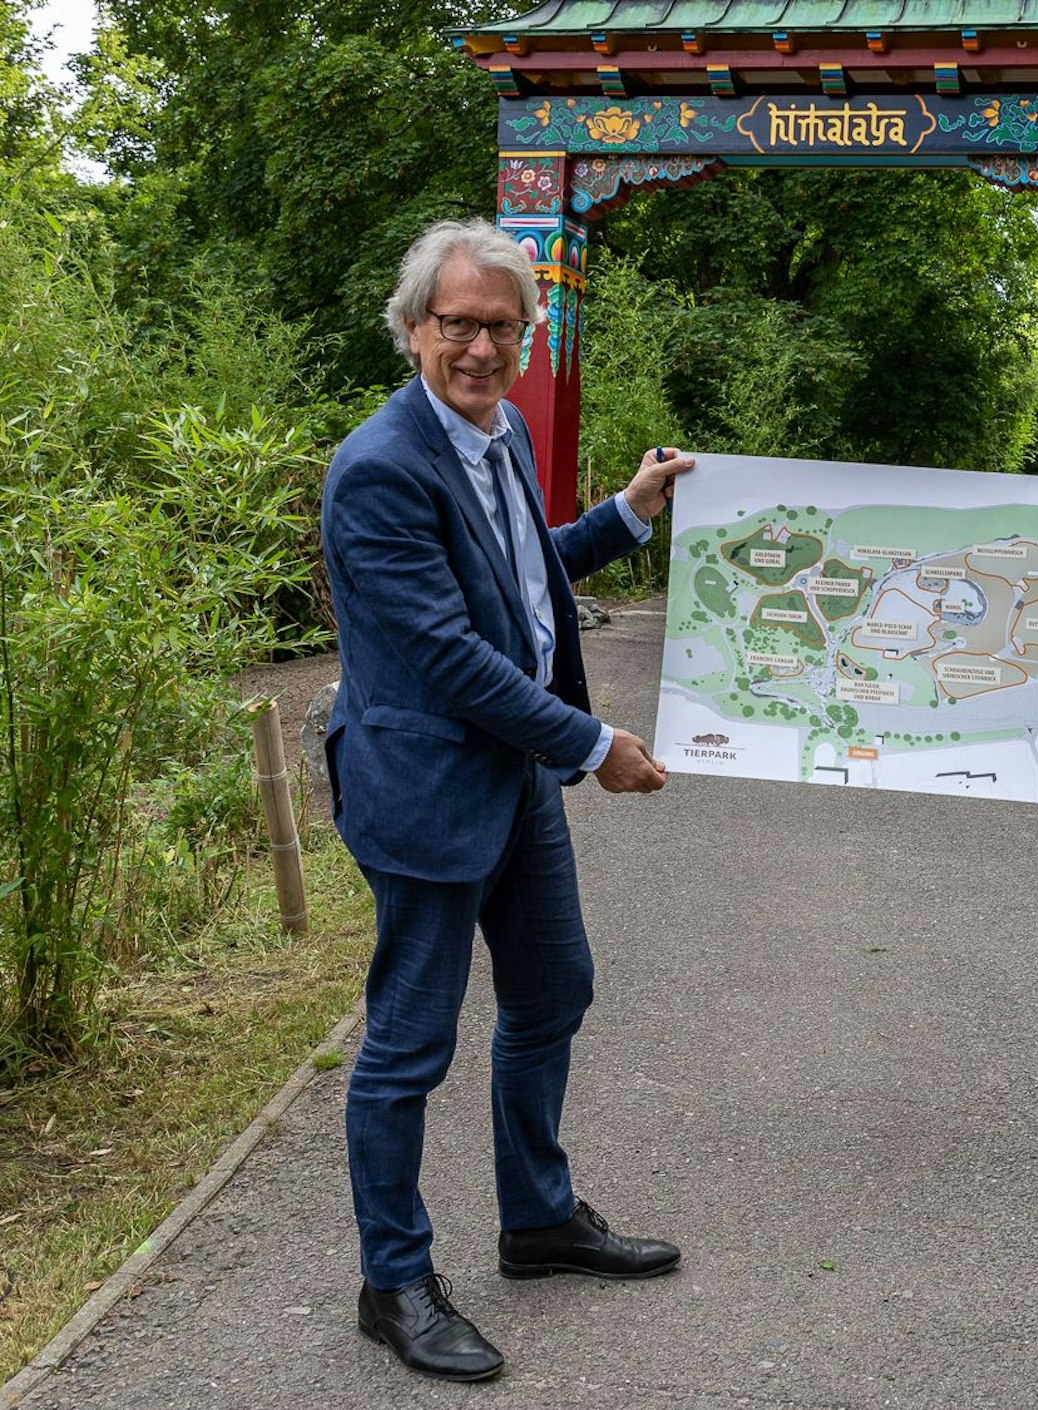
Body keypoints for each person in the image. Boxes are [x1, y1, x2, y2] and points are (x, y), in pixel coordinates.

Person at [320, 218, 695, 1382]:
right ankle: (393, 1282)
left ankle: (535, 1221)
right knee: (406, 1049)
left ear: (525, 337)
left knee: (551, 991)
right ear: (412, 328)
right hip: (428, 788)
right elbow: (446, 653)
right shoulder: (378, 467)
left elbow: (517, 579)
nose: (479, 347)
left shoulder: (504, 430)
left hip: (512, 782)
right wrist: (592, 743)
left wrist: (624, 513)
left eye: (500, 326)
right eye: (457, 325)